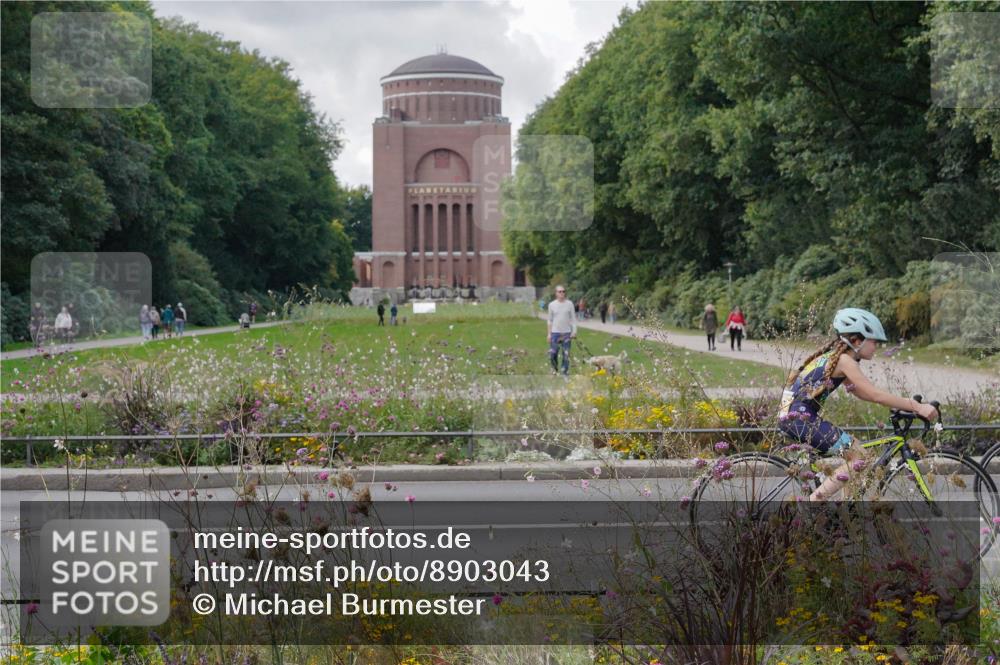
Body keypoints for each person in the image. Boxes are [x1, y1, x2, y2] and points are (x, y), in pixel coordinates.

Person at [779, 308, 938, 502]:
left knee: (857, 456)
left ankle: (845, 512)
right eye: (874, 342)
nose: (876, 347)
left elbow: (862, 393)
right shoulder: (845, 361)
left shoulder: (836, 358)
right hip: (800, 419)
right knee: (860, 458)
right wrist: (916, 406)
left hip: (795, 416)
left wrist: (899, 404)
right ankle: (811, 504)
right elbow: (875, 394)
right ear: (856, 341)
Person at [547, 285, 577, 375]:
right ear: (556, 293)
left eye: (563, 291)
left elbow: (573, 319)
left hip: (566, 333)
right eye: (559, 291)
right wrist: (549, 334)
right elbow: (549, 320)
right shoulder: (552, 305)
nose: (562, 293)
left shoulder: (569, 304)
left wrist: (574, 331)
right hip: (555, 333)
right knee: (553, 354)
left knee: (566, 354)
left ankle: (565, 373)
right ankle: (554, 370)